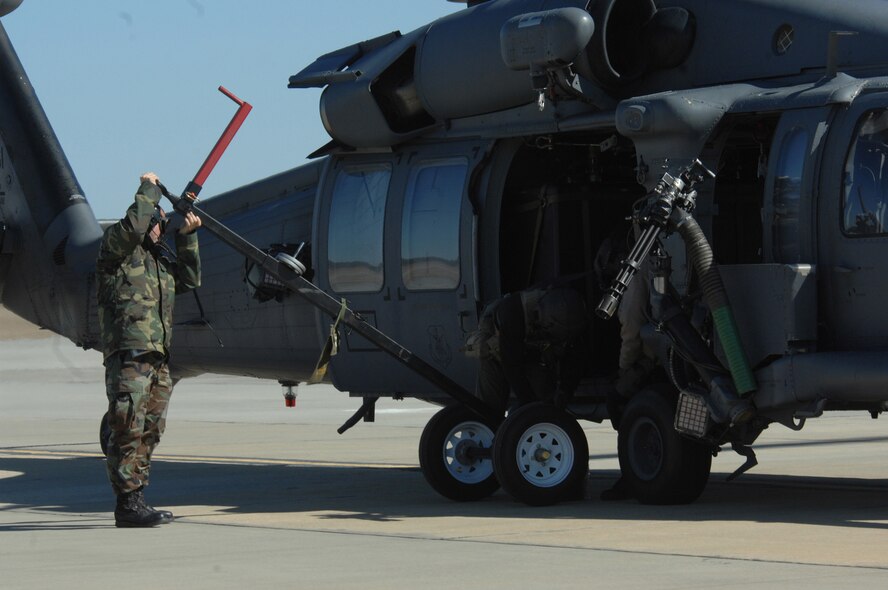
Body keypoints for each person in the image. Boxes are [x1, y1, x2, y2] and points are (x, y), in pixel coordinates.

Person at [96, 172, 201, 527]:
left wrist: (188, 239)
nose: (159, 228)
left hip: (158, 358)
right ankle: (126, 504)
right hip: (129, 355)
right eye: (156, 222)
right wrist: (149, 189)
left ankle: (136, 498)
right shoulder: (116, 251)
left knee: (151, 429)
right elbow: (133, 225)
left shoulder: (159, 263)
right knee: (127, 426)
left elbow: (189, 280)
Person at [473, 285, 587, 416]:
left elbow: (576, 358)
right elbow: (511, 365)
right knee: (488, 408)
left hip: (532, 352)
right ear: (547, 324)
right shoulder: (513, 313)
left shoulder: (571, 321)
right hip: (498, 347)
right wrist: (529, 406)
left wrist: (565, 391)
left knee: (545, 404)